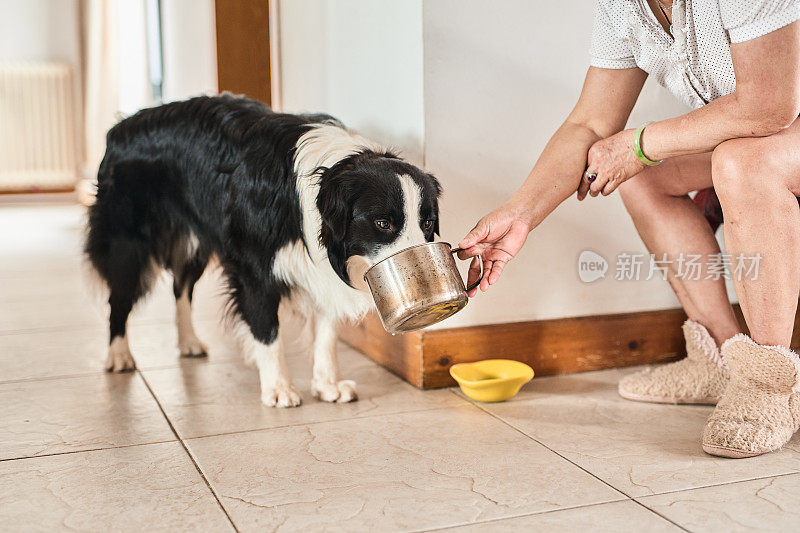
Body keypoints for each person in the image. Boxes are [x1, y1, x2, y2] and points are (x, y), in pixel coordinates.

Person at [458, 0, 800, 458]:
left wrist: (641, 143)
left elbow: (769, 106)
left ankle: (769, 385)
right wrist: (519, 214)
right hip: (776, 135)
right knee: (643, 175)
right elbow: (589, 123)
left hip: (777, 128)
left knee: (740, 162)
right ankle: (720, 358)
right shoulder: (622, 7)